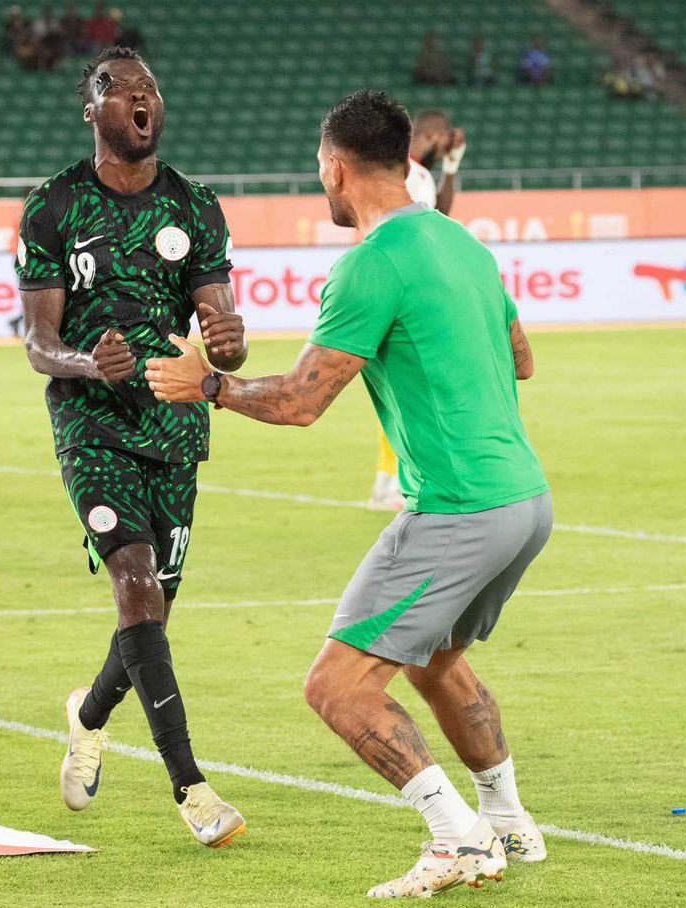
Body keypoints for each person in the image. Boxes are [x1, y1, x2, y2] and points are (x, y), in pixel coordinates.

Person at [146, 90, 550, 898]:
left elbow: (299, 401)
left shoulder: (370, 264)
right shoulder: (462, 244)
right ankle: (507, 821)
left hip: (461, 506)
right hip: (524, 499)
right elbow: (523, 358)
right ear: (407, 162)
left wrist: (209, 386)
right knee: (437, 663)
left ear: (334, 167)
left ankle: (459, 841)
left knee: (337, 687)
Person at [15, 46, 249, 848]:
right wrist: (89, 361)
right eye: (122, 89)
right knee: (136, 584)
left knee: (153, 610)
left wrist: (229, 339)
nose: (143, 98)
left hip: (176, 424)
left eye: (152, 87)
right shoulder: (52, 208)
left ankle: (87, 715)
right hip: (90, 424)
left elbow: (222, 336)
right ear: (93, 109)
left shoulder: (197, 205)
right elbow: (39, 345)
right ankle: (193, 790)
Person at [371, 109, 466, 511]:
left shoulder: (408, 175)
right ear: (434, 134)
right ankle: (391, 481)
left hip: (399, 288)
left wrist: (453, 164)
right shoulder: (405, 176)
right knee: (408, 390)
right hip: (404, 290)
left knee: (403, 389)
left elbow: (440, 213)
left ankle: (390, 480)